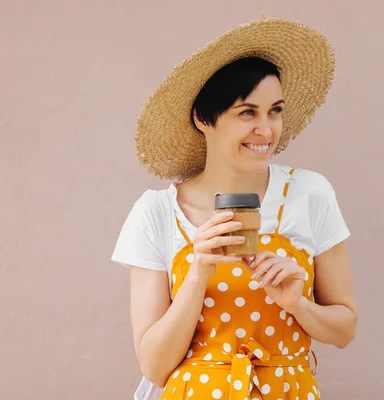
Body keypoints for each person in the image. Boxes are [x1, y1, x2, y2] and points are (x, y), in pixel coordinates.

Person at [111, 18, 358, 400]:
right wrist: (198, 271)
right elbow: (154, 366)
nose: (267, 129)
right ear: (202, 119)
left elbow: (344, 329)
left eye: (274, 111)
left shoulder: (310, 193)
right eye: (247, 112)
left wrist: (298, 304)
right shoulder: (156, 213)